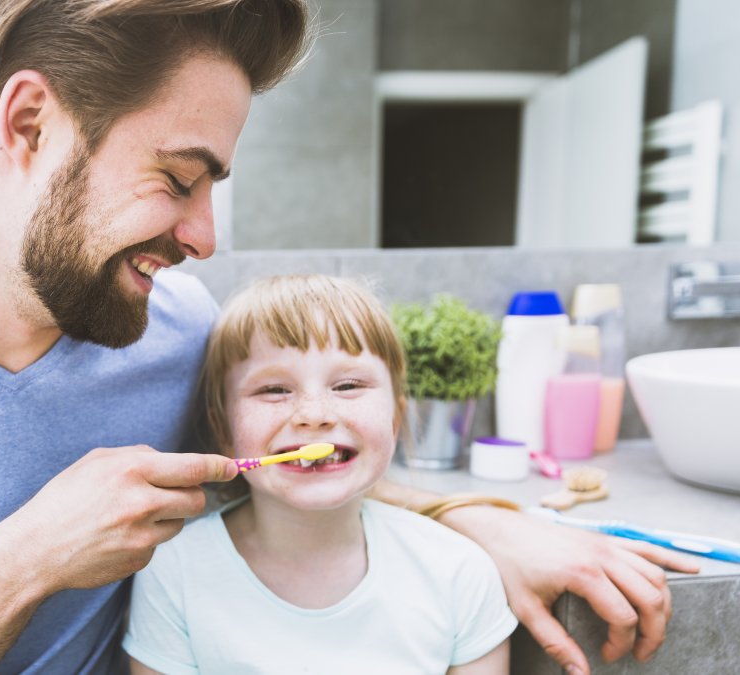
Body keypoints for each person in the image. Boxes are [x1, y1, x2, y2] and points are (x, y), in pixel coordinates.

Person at [0, 1, 697, 674]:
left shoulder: (175, 329)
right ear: (27, 124)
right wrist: (21, 564)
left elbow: (290, 457)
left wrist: (477, 522)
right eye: (178, 178)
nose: (202, 237)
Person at [124, 275, 517, 674]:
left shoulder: (459, 572)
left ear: (395, 421)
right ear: (224, 431)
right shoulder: (175, 572)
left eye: (348, 385)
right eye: (274, 390)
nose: (314, 415)